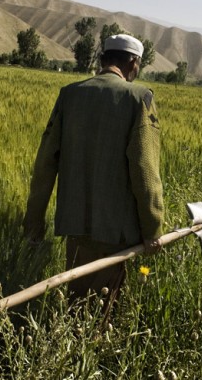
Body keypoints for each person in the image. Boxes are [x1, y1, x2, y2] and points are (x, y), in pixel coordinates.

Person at [23, 33, 164, 311]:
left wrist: (34, 222)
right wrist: (153, 228)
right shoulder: (139, 98)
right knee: (103, 314)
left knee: (76, 307)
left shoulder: (70, 94)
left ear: (103, 59)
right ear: (134, 62)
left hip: (74, 226)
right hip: (117, 233)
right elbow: (145, 171)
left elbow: (44, 165)